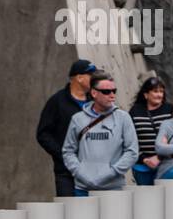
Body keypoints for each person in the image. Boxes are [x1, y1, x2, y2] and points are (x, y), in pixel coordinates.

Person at [61, 71, 139, 195]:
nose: (112, 95)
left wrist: (112, 172)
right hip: (83, 188)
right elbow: (68, 151)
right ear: (94, 93)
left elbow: (132, 151)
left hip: (114, 188)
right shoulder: (78, 119)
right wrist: (80, 173)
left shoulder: (123, 118)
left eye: (114, 91)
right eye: (107, 92)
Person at [36, 59, 95, 196]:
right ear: (79, 78)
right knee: (69, 212)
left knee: (92, 213)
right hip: (66, 173)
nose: (95, 79)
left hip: (93, 172)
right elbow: (43, 134)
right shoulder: (57, 101)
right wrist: (63, 154)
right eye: (91, 75)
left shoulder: (95, 101)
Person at [129, 76, 173, 186]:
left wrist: (159, 157)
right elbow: (129, 140)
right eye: (155, 91)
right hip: (142, 166)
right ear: (146, 94)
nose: (159, 95)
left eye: (161, 91)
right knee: (147, 198)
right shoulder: (135, 111)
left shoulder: (170, 110)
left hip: (166, 164)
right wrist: (144, 159)